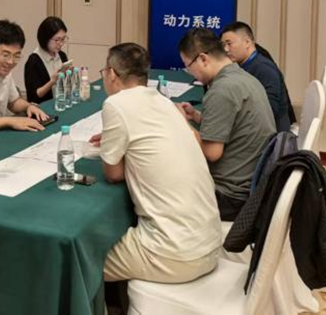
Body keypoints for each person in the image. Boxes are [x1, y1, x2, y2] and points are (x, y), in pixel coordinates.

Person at [90, 43, 222, 284]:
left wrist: (118, 146)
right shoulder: (164, 102)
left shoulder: (116, 104)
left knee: (79, 263)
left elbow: (113, 174)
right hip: (210, 243)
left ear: (111, 74)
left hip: (173, 253)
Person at [177, 29, 275, 221]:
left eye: (188, 66)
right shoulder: (243, 77)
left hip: (229, 196)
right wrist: (196, 116)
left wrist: (182, 123)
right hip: (249, 183)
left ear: (203, 59)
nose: (191, 74)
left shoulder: (221, 90)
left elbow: (211, 153)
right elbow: (235, 123)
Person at [220, 21, 292, 133]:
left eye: (229, 44)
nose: (226, 49)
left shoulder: (264, 68)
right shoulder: (245, 65)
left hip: (269, 136)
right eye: (223, 45)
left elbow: (269, 111)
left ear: (247, 42)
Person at [24, 16, 71, 103]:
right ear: (45, 38)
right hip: (42, 107)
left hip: (61, 103)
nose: (61, 43)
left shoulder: (62, 55)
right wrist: (52, 81)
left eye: (63, 39)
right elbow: (33, 96)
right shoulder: (33, 61)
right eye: (57, 40)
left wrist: (68, 74)